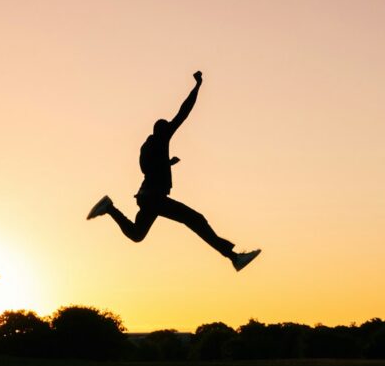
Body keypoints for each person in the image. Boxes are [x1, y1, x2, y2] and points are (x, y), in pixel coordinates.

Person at [88, 71, 260, 271]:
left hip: (147, 197)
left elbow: (146, 169)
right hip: (154, 198)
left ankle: (109, 208)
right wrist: (197, 86)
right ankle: (234, 258)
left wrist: (167, 164)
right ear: (161, 130)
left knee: (137, 234)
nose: (171, 127)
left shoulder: (148, 146)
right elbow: (183, 112)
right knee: (195, 219)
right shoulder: (162, 138)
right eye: (167, 127)